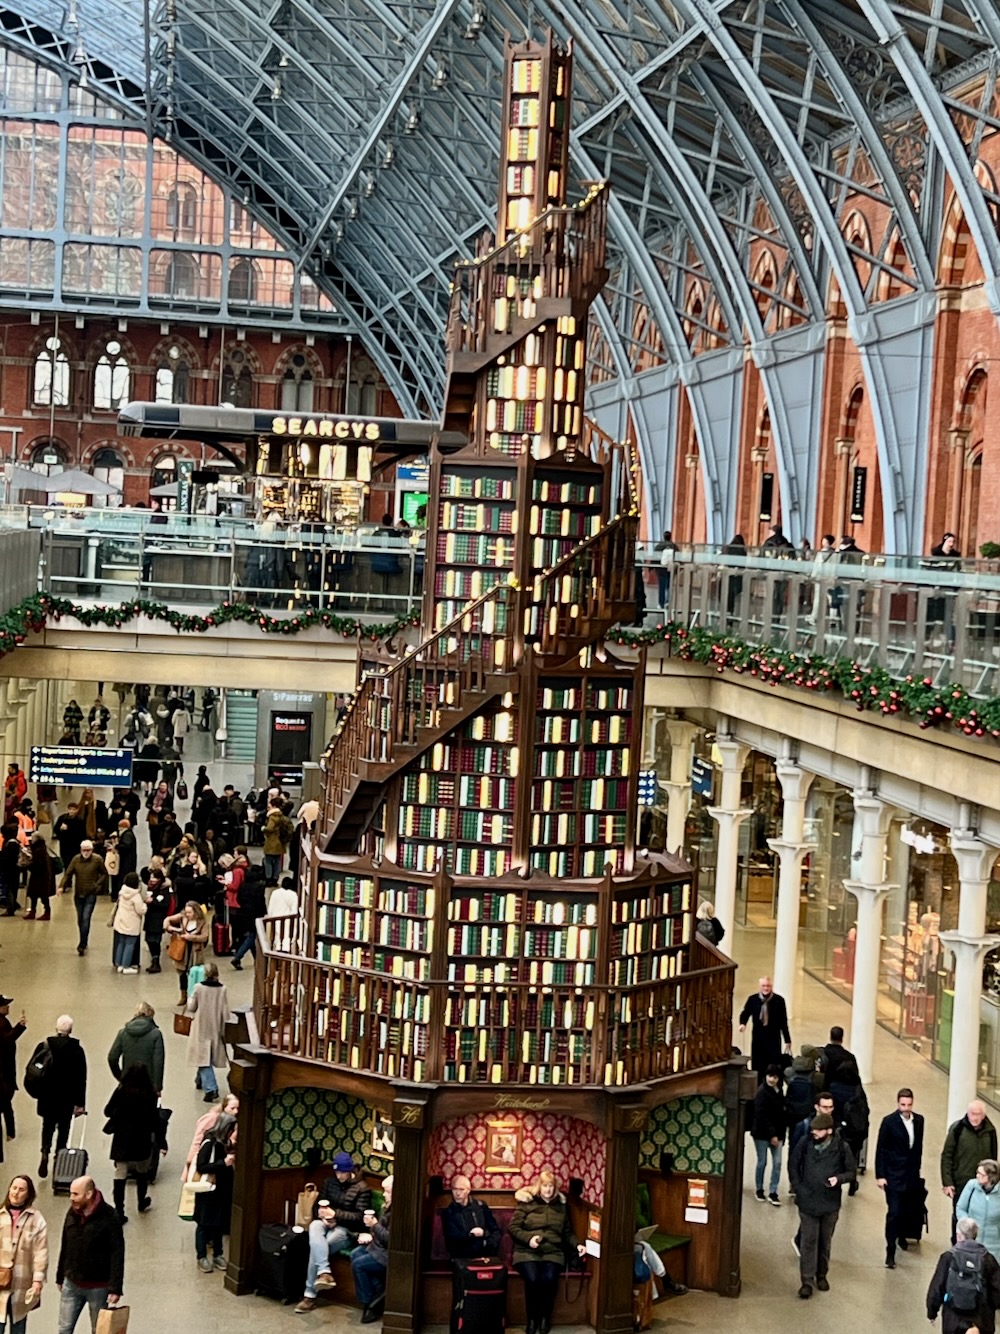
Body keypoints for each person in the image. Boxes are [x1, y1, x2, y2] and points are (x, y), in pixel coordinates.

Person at [788, 1111, 856, 1299]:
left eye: (818, 1130)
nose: (814, 1133)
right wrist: (799, 1188)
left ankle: (822, 1275)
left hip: (829, 1203)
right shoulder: (805, 1143)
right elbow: (793, 1165)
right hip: (807, 1201)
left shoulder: (842, 1148)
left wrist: (839, 1179)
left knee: (824, 1242)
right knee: (809, 1241)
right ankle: (806, 1281)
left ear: (828, 1131)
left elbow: (851, 1172)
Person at [295, 1151, 372, 1313]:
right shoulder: (330, 1182)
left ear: (349, 1170)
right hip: (327, 1224)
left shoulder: (362, 1188)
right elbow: (317, 1206)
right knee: (315, 1226)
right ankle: (324, 1272)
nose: (339, 1176)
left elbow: (360, 1217)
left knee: (318, 1248)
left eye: (342, 1172)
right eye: (336, 1172)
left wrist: (335, 1215)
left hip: (347, 1230)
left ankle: (309, 1295)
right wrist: (323, 1216)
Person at [510, 1169, 586, 1334]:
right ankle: (532, 1320)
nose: (548, 1190)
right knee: (533, 1279)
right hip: (526, 1250)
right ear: (539, 1186)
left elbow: (567, 1233)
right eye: (545, 1186)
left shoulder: (561, 1206)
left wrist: (577, 1245)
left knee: (549, 1279)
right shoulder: (528, 1203)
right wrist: (529, 1239)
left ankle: (545, 1319)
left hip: (552, 1251)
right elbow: (513, 1228)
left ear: (555, 1188)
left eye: (551, 1186)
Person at [55, 1176, 124, 1332]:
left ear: (89, 1194)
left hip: (98, 1287)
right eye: (71, 1194)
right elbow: (65, 1244)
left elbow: (117, 1253)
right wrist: (60, 1276)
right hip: (71, 1283)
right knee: (64, 1329)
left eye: (75, 1194)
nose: (71, 1198)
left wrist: (115, 1288)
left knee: (98, 1329)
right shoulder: (72, 1213)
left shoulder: (109, 1216)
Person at [102, 1063, 159, 1224]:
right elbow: (155, 1120)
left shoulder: (121, 1091)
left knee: (120, 1173)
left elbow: (107, 1111)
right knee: (142, 1171)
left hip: (122, 1137)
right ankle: (141, 1201)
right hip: (142, 1138)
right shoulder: (150, 1095)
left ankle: (119, 1210)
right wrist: (162, 1142)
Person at [876, 1086, 925, 1269]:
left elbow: (917, 1147)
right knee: (894, 1212)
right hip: (893, 1175)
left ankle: (902, 1236)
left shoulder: (919, 1121)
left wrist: (917, 1171)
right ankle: (890, 1251)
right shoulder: (889, 1122)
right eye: (903, 1104)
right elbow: (881, 1148)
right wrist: (881, 1175)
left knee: (906, 1210)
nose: (906, 1108)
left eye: (909, 1104)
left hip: (911, 1175)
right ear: (898, 1103)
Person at [32, 1016, 86, 1182]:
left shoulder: (45, 1046)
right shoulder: (77, 1050)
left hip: (47, 1097)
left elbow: (34, 1069)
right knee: (64, 1130)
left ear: (56, 1029)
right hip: (66, 1099)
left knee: (47, 1126)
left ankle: (44, 1152)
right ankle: (59, 1159)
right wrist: (80, 1104)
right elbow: (81, 1079)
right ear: (70, 1030)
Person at [927, 1215, 1000, 1334]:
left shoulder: (948, 1257)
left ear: (958, 1236)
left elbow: (937, 1287)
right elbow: (997, 1291)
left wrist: (932, 1311)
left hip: (953, 1318)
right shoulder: (988, 1259)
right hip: (981, 1318)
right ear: (976, 1235)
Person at [943, 1101, 999, 1241]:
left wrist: (993, 1181)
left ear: (984, 1115)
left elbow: (993, 1158)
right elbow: (947, 1156)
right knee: (959, 1214)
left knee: (981, 1213)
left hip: (984, 1183)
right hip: (961, 1182)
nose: (974, 1117)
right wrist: (947, 1182)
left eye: (978, 1114)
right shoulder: (957, 1129)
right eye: (972, 1114)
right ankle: (957, 1244)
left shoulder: (990, 1131)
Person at [0, 1175, 47, 1333]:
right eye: (13, 1188)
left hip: (21, 1284)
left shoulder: (36, 1219)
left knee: (18, 1324)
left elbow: (41, 1252)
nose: (16, 1193)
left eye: (21, 1190)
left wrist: (37, 1280)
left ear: (28, 1194)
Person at [193, 1112, 236, 1273]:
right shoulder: (210, 1143)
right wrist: (223, 1163)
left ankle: (218, 1254)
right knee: (204, 1225)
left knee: (218, 1223)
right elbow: (201, 1166)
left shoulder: (225, 1143)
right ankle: (201, 1256)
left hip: (221, 1191)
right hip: (208, 1192)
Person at [350, 1176, 392, 1326]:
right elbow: (380, 1233)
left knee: (359, 1265)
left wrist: (374, 1225)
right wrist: (370, 1233)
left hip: (388, 1254)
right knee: (354, 1254)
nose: (384, 1195)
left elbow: (389, 1239)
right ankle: (378, 1291)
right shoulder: (385, 1207)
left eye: (387, 1192)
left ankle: (370, 1303)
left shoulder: (398, 1213)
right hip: (376, 1246)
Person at [186, 963, 229, 1105]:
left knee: (203, 1057)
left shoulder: (198, 988)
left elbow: (192, 1008)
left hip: (201, 1026)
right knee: (205, 1055)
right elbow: (225, 1011)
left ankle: (211, 1088)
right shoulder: (222, 989)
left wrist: (190, 999)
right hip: (215, 1026)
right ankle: (199, 1080)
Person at [60, 841, 109, 957]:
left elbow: (104, 873)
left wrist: (97, 886)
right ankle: (84, 939)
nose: (86, 853)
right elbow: (68, 873)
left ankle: (82, 944)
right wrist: (61, 886)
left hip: (91, 894)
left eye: (88, 850)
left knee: (86, 919)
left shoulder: (97, 860)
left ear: (92, 850)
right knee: (80, 919)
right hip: (78, 894)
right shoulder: (76, 860)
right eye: (84, 850)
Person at [738, 976, 792, 1081]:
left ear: (771, 986)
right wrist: (743, 1023)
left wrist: (787, 1039)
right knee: (758, 1064)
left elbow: (783, 1022)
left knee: (773, 1065)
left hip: (774, 1038)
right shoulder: (752, 999)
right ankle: (758, 1087)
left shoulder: (779, 1001)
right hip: (758, 1038)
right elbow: (745, 1013)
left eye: (768, 986)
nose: (766, 988)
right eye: (764, 986)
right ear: (760, 986)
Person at [827, 1059, 867, 1191]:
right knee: (853, 1156)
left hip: (838, 1126)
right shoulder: (857, 1089)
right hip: (854, 1129)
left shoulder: (833, 1086)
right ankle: (852, 1181)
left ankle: (835, 1181)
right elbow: (865, 1110)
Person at [107, 1002, 164, 1096]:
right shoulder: (156, 1034)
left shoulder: (123, 1033)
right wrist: (157, 1087)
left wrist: (121, 1077)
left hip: (128, 1082)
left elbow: (112, 1058)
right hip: (148, 1085)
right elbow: (158, 1062)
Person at [181, 1095, 238, 1184]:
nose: (236, 1111)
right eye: (232, 1108)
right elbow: (197, 1140)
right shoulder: (212, 1121)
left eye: (238, 1108)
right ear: (224, 1107)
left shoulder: (233, 1122)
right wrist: (190, 1160)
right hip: (211, 1168)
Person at [442, 1174, 501, 1259]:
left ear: (468, 1190)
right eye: (455, 1189)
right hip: (462, 1256)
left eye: (461, 1189)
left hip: (484, 1253)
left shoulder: (480, 1206)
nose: (457, 1193)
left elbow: (495, 1231)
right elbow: (452, 1239)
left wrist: (486, 1242)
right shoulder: (448, 1212)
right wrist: (471, 1235)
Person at [751, 1064, 785, 1204]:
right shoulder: (762, 1093)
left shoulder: (779, 1091)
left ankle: (773, 1191)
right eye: (770, 1076)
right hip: (762, 1133)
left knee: (777, 1163)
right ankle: (759, 1189)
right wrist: (773, 1135)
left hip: (776, 1133)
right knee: (762, 1162)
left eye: (775, 1077)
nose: (772, 1079)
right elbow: (762, 1116)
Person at [163, 901, 209, 1006]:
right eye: (186, 912)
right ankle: (183, 995)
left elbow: (205, 937)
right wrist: (168, 926)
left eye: (190, 913)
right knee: (182, 974)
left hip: (195, 951)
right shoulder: (183, 917)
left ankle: (194, 997)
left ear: (196, 912)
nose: (187, 915)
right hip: (183, 950)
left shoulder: (203, 922)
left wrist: (191, 937)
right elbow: (168, 919)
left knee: (195, 973)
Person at [956, 1160, 1000, 1262]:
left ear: (991, 1177)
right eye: (977, 1172)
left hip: (994, 1245)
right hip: (972, 1242)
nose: (977, 1176)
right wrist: (966, 1225)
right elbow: (961, 1208)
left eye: (981, 1174)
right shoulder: (971, 1186)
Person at [0, 996, 26, 1141]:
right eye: (5, 1005)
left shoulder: (3, 1021)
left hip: (4, 1071)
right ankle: (11, 1132)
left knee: (5, 1103)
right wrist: (20, 1027)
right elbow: (7, 1039)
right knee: (5, 1102)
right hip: (4, 1071)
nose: (8, 1007)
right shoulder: (1, 1023)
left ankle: (11, 1131)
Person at [110, 873, 146, 975]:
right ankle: (126, 966)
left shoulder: (122, 892)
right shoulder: (136, 896)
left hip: (121, 920)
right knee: (130, 944)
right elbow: (140, 910)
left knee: (121, 942)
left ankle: (119, 964)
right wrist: (145, 906)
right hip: (131, 923)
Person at [142, 867, 173, 974]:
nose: (152, 880)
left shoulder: (165, 890)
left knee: (155, 940)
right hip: (149, 918)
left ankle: (156, 961)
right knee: (148, 939)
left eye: (154, 878)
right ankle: (154, 959)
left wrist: (153, 901)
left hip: (158, 919)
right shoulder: (150, 888)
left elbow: (165, 904)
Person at [24, 837, 54, 921]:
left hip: (39, 878)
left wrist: (28, 865)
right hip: (42, 877)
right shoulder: (42, 849)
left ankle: (45, 912)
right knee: (36, 896)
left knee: (41, 896)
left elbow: (37, 866)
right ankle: (34, 911)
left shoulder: (38, 852)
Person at [262, 801, 294, 883]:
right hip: (280, 842)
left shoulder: (272, 817)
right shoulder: (282, 816)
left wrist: (263, 829)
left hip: (271, 842)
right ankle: (276, 878)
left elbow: (269, 828)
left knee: (268, 861)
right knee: (277, 861)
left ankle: (269, 878)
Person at [52, 806, 84, 875]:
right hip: (65, 844)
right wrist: (60, 829)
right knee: (66, 862)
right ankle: (67, 880)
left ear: (77, 810)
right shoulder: (62, 818)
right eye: (70, 809)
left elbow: (82, 833)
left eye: (74, 809)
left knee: (75, 861)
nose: (72, 811)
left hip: (75, 844)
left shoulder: (79, 820)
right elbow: (55, 829)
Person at [145, 782, 173, 856]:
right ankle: (154, 851)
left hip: (162, 820)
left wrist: (162, 809)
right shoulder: (154, 793)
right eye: (161, 785)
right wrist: (152, 807)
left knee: (160, 837)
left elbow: (170, 808)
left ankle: (157, 852)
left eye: (164, 786)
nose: (162, 787)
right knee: (153, 837)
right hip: (153, 819)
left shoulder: (169, 797)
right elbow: (147, 803)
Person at [654, 530, 679, 609]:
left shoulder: (659, 546)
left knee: (661, 586)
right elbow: (678, 557)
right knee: (669, 585)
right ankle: (668, 602)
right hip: (671, 569)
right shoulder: (674, 546)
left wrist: (653, 567)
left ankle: (661, 603)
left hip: (661, 569)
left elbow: (655, 557)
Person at [111, 821, 137, 898]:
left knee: (123, 876)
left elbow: (126, 846)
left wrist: (117, 846)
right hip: (128, 860)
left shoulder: (127, 835)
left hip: (127, 861)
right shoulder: (128, 834)